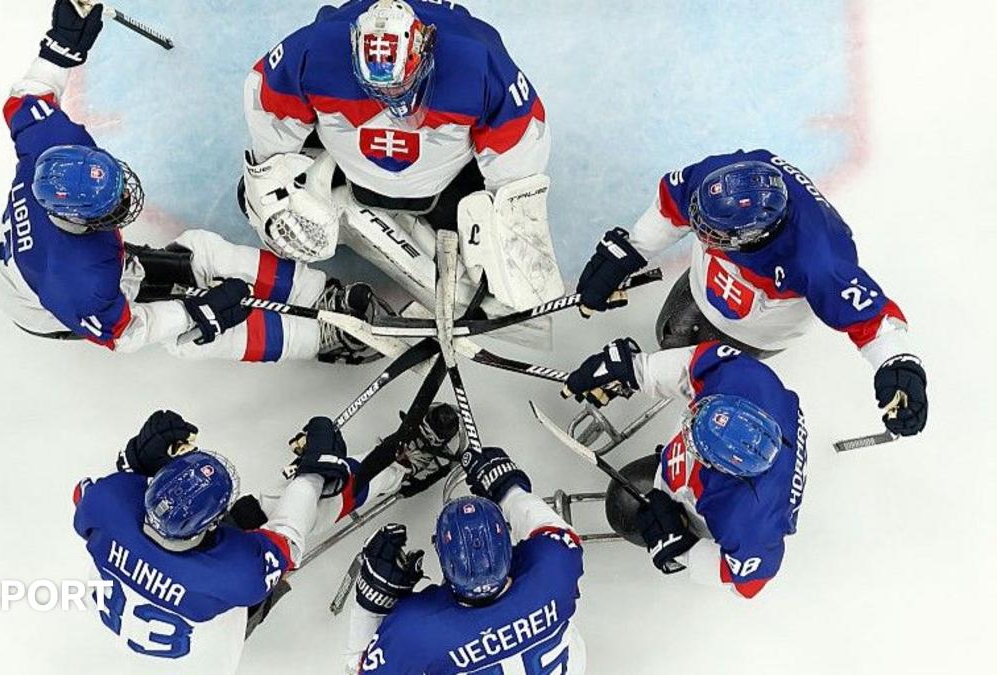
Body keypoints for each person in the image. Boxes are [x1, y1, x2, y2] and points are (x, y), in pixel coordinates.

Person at [0, 0, 383, 363]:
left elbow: (28, 95)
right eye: (112, 205)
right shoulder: (77, 282)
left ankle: (319, 294)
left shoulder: (51, 140)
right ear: (81, 218)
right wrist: (194, 312)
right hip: (37, 304)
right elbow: (125, 332)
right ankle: (324, 339)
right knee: (199, 335)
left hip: (50, 255)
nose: (126, 196)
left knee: (201, 251)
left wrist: (62, 44)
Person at [241, 0, 562, 332]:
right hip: (348, 173)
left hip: (446, 186)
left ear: (424, 46)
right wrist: (269, 184)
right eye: (377, 88)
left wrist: (511, 227)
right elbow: (267, 101)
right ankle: (341, 203)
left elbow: (521, 139)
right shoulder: (315, 48)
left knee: (500, 268)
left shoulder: (477, 58)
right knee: (270, 210)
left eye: (398, 85)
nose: (391, 95)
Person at [73, 405, 460, 672]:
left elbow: (91, 496)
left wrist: (136, 460)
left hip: (132, 646)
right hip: (205, 640)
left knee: (255, 512)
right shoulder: (233, 574)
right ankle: (399, 467)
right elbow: (288, 538)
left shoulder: (107, 503)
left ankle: (382, 467)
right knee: (307, 506)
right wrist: (312, 475)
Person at [574, 149, 927, 437]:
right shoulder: (722, 178)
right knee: (671, 334)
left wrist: (898, 365)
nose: (701, 235)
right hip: (705, 287)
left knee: (711, 384)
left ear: (755, 235)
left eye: (715, 234)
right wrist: (629, 252)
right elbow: (673, 201)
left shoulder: (819, 260)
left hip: (757, 331)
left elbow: (874, 320)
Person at [565, 338, 807, 598]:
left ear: (719, 467)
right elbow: (693, 363)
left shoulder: (748, 520)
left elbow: (749, 584)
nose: (690, 419)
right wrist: (635, 369)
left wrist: (685, 549)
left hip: (714, 508)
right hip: (728, 478)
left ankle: (680, 511)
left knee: (624, 507)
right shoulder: (748, 381)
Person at [344, 446, 586, 673]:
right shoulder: (554, 565)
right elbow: (555, 530)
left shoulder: (414, 629)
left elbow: (361, 669)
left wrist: (371, 605)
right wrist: (508, 489)